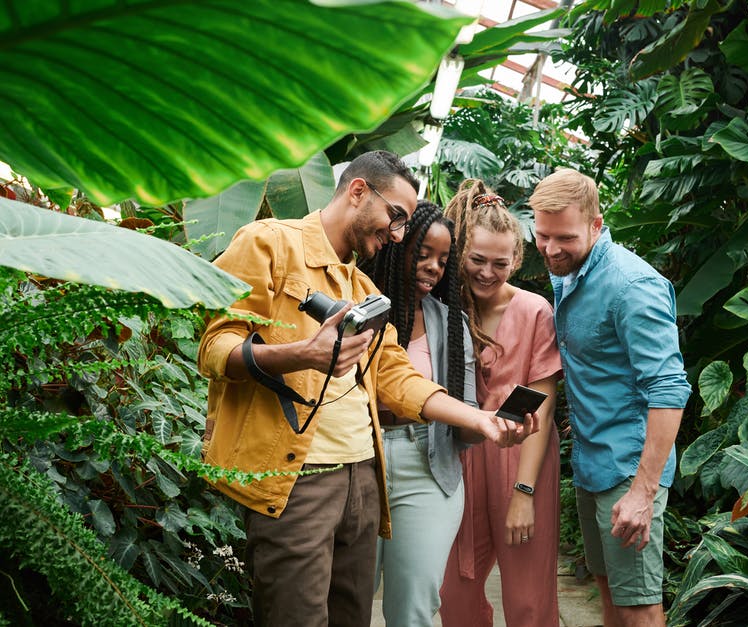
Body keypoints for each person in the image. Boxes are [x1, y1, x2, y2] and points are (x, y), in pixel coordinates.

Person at [197, 151, 536, 627]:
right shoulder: (268, 242)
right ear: (358, 191)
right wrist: (301, 354)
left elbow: (396, 377)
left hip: (362, 478)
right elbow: (215, 347)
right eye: (395, 217)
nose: (397, 234)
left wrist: (479, 418)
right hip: (298, 481)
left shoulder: (362, 287)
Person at [529, 168, 691, 627]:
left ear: (597, 225)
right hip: (590, 462)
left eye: (565, 237)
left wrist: (643, 492)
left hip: (628, 469)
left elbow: (668, 389)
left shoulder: (632, 286)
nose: (551, 249)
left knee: (639, 610)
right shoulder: (569, 272)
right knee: (609, 595)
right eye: (542, 235)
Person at [439, 180, 563, 627]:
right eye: (476, 260)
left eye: (500, 262)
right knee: (454, 594)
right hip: (458, 456)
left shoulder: (534, 312)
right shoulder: (445, 309)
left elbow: (542, 407)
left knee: (529, 600)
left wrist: (524, 494)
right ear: (460, 256)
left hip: (520, 458)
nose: (487, 272)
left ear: (516, 260)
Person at [361, 199, 478, 626]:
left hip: (426, 466)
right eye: (423, 253)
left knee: (413, 608)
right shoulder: (355, 308)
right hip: (358, 462)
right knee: (347, 601)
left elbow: (466, 415)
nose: (433, 267)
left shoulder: (451, 323)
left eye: (443, 260)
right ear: (395, 246)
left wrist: (492, 424)